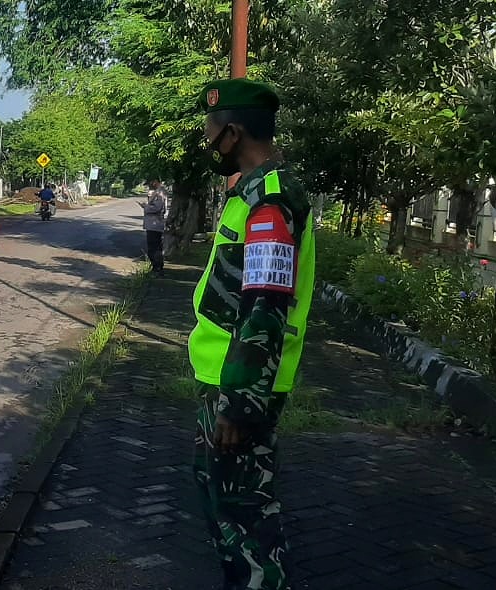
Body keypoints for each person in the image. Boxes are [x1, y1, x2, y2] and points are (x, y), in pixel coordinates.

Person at [190, 79, 314, 590]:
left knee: (246, 518)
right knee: (226, 509)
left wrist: (240, 404)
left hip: (237, 387)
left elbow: (263, 307)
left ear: (232, 132)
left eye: (210, 131)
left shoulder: (270, 203)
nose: (207, 141)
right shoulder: (252, 194)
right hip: (223, 378)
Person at [141, 180, 167, 274]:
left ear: (156, 181)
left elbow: (157, 207)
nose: (151, 185)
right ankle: (157, 267)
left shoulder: (159, 193)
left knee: (154, 247)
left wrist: (146, 207)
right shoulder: (159, 192)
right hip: (153, 224)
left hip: (154, 224)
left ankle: (157, 268)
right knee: (155, 246)